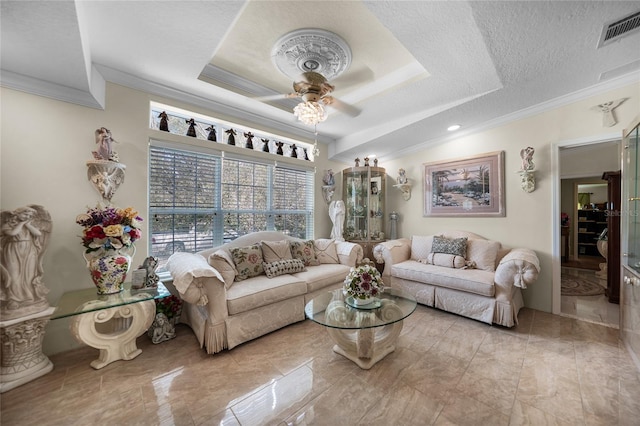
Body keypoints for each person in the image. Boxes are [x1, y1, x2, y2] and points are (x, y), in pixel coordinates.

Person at [0, 206, 51, 313]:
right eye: (25, 214)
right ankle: (14, 300)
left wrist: (28, 225)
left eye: (29, 216)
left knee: (29, 275)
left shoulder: (28, 226)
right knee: (14, 275)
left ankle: (29, 298)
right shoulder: (8, 225)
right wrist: (22, 223)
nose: (27, 217)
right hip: (13, 250)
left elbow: (38, 233)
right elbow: (13, 233)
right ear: (16, 214)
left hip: (29, 251)